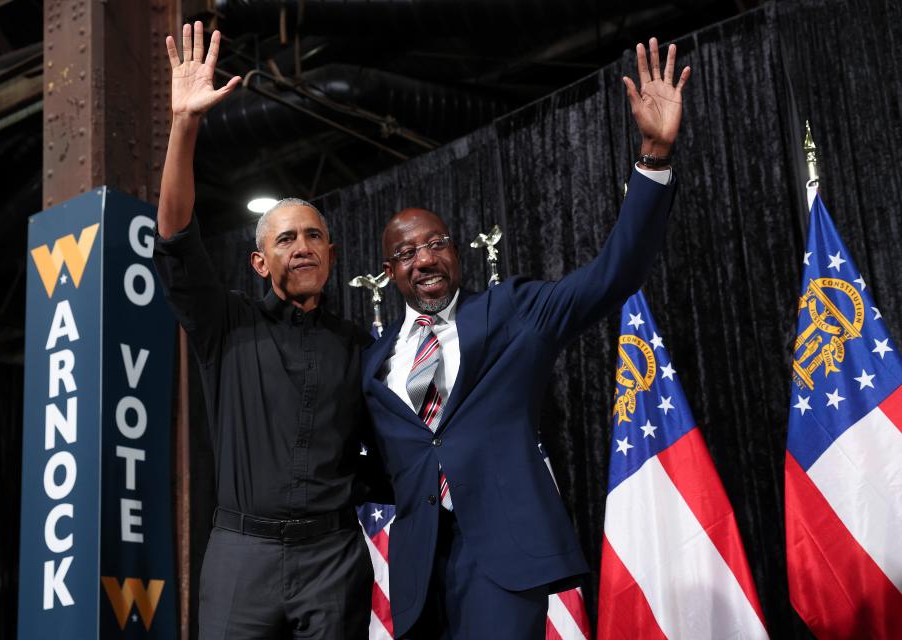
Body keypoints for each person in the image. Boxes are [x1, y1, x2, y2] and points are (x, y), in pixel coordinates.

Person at [361, 37, 690, 638]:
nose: (425, 259)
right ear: (390, 273)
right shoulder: (374, 365)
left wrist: (654, 155)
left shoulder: (514, 311)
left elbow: (615, 272)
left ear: (455, 253)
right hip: (417, 571)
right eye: (407, 253)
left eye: (436, 244)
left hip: (503, 558)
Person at [153, 22, 383, 639]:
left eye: (313, 236)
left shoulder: (362, 348)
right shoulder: (223, 323)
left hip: (333, 559)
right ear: (260, 262)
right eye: (286, 238)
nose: (302, 247)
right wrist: (185, 125)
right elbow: (174, 235)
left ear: (331, 254)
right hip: (239, 557)